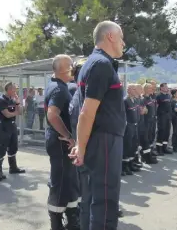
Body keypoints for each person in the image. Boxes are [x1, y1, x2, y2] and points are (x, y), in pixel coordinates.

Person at [69, 21, 126, 230]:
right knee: (105, 200)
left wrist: (81, 144)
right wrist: (81, 147)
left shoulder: (96, 63)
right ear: (110, 36)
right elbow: (87, 111)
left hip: (101, 138)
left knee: (94, 198)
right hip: (103, 140)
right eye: (121, 37)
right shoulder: (100, 64)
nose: (123, 42)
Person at [45, 54, 80, 230]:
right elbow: (52, 114)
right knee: (60, 181)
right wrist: (68, 136)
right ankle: (56, 223)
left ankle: (72, 219)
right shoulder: (59, 89)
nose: (73, 67)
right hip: (60, 142)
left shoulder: (59, 86)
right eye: (70, 65)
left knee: (69, 180)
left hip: (61, 141)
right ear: (63, 68)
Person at [0, 82, 25, 179]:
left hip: (12, 126)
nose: (15, 91)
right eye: (13, 89)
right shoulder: (1, 100)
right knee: (2, 147)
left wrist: (17, 102)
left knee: (13, 146)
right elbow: (6, 114)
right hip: (4, 126)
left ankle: (13, 167)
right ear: (8, 89)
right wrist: (15, 112)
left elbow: (20, 112)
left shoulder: (12, 100)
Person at [122, 84, 141, 176]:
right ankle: (124, 166)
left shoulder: (135, 100)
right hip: (128, 126)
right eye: (133, 89)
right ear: (128, 90)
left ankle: (131, 163)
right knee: (127, 146)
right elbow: (123, 114)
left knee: (133, 145)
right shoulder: (125, 100)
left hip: (135, 125)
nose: (135, 91)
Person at [141, 83, 158, 164]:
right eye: (150, 88)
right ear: (146, 89)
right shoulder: (143, 99)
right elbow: (143, 111)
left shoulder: (150, 98)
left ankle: (149, 154)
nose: (152, 90)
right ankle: (146, 157)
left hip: (152, 120)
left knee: (151, 137)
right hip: (145, 122)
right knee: (146, 139)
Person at [156, 83, 173, 155]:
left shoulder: (168, 96)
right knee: (161, 132)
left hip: (168, 116)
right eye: (165, 87)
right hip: (161, 116)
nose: (167, 88)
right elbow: (156, 106)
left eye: (167, 86)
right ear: (161, 88)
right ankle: (159, 149)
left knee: (167, 132)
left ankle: (164, 147)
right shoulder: (158, 96)